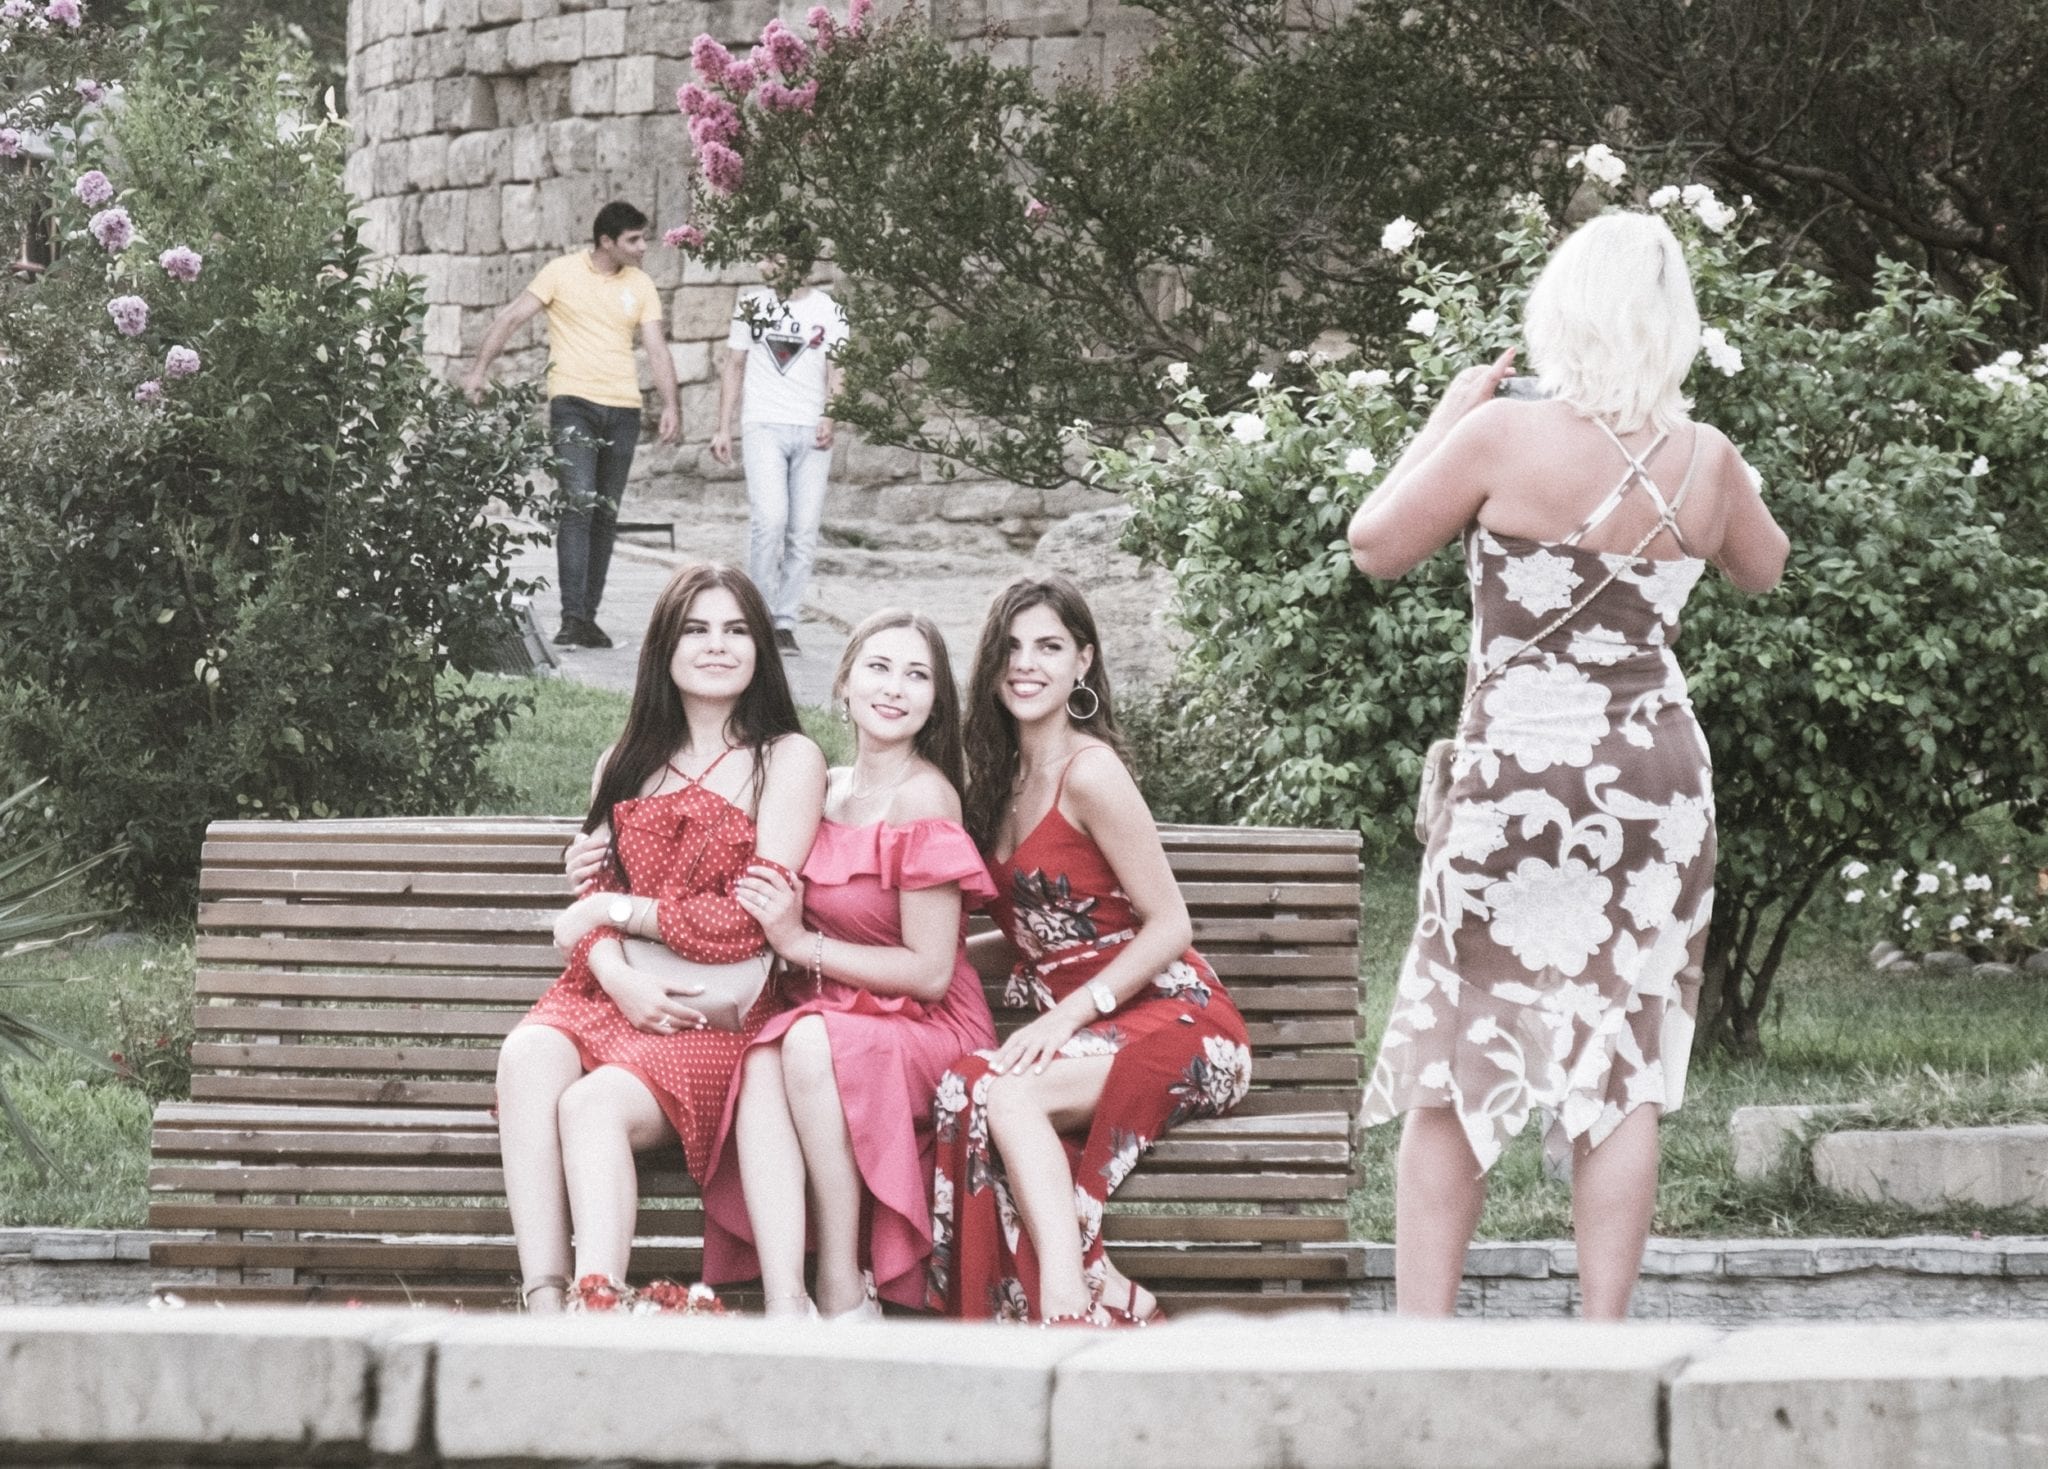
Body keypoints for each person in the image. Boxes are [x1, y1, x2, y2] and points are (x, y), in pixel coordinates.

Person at [1345, 211, 1789, 1320]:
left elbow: (1374, 545)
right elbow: (1764, 569)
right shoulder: (1707, 459)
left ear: (1562, 307)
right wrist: (1698, 481)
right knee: (1623, 1059)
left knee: (1456, 1052)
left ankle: (1421, 1341)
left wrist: (1444, 417)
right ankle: (1600, 1344)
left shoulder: (1499, 435)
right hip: (1653, 781)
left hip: (1517, 775)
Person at [494, 563, 827, 1312]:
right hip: (612, 990)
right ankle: (542, 1302)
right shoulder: (624, 762)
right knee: (527, 1053)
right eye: (697, 629)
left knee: (592, 1105)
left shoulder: (786, 759)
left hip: (710, 1009)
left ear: (761, 650)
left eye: (737, 630)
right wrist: (617, 974)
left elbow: (750, 919)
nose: (718, 646)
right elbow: (592, 897)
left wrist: (615, 916)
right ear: (664, 648)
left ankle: (599, 1303)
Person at [925, 575, 1254, 1326]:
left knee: (1005, 1092)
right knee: (961, 1088)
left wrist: (1065, 1016)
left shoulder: (1091, 770)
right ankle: (1104, 1290)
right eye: (1011, 647)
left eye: (1049, 646)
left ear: (1083, 663)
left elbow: (1171, 923)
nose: (1026, 664)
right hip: (1092, 1028)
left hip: (1181, 1021)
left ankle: (1067, 1298)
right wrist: (926, 958)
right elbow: (1035, 936)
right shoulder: (999, 781)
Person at [700, 609, 999, 1318]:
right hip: (836, 1020)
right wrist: (588, 856)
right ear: (843, 680)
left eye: (917, 674)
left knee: (802, 1038)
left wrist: (804, 944)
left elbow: (930, 971)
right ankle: (785, 1301)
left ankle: (842, 1282)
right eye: (879, 666)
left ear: (935, 702)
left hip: (930, 1026)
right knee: (763, 1060)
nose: (895, 687)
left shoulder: (923, 796)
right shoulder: (822, 789)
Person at [462, 201, 681, 650]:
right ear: (607, 242)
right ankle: (571, 616)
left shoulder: (640, 285)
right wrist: (479, 371)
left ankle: (588, 618)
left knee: (605, 515)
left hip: (623, 409)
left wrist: (671, 405)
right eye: (634, 240)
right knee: (578, 507)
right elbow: (511, 317)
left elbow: (656, 349)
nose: (643, 248)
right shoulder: (560, 272)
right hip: (573, 405)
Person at [709, 230, 849, 659]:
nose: (765, 266)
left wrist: (831, 414)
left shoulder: (829, 309)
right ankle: (758, 614)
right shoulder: (752, 304)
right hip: (763, 425)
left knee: (803, 530)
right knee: (769, 521)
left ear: (799, 262)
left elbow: (838, 369)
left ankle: (785, 621)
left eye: (774, 256)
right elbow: (734, 366)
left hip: (810, 430)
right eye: (762, 258)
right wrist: (722, 426)